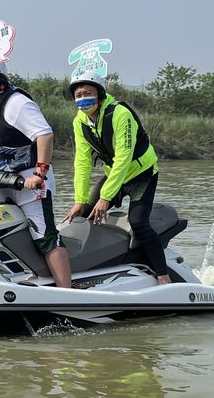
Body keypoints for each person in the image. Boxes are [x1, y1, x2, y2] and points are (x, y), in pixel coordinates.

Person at [0, 55, 71, 288]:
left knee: (45, 236)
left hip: (28, 182)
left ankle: (68, 293)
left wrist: (39, 174)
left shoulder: (16, 103)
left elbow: (44, 135)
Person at [62, 70, 172, 285]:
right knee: (83, 214)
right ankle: (101, 265)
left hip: (141, 174)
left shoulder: (120, 113)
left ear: (100, 94)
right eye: (78, 95)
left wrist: (106, 197)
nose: (83, 99)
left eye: (88, 93)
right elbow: (82, 162)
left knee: (138, 221)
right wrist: (79, 200)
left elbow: (124, 156)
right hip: (114, 175)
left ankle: (163, 275)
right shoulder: (80, 121)